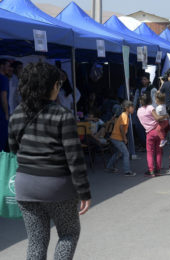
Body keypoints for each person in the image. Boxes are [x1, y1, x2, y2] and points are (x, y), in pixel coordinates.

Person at [8, 62, 91, 259]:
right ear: (52, 86)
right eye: (58, 85)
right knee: (69, 234)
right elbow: (74, 158)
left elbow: (14, 149)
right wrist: (84, 192)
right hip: (58, 186)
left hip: (25, 186)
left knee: (36, 240)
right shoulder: (62, 115)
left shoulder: (17, 114)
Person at [137, 93, 168, 177]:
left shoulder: (138, 110)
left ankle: (151, 170)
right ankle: (157, 170)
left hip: (149, 133)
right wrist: (166, 115)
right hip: (158, 130)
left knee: (150, 152)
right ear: (150, 100)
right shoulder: (150, 108)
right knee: (158, 151)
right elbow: (157, 118)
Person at [105, 100, 137, 176]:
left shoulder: (124, 115)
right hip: (117, 138)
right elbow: (121, 127)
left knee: (118, 153)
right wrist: (124, 138)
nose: (133, 109)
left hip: (115, 137)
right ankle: (127, 171)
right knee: (126, 153)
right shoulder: (124, 115)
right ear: (127, 108)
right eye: (132, 107)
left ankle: (109, 167)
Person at [0, 59, 11, 152]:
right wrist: (7, 114)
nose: (9, 68)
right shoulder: (4, 79)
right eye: (7, 66)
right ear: (2, 66)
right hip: (2, 115)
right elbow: (3, 97)